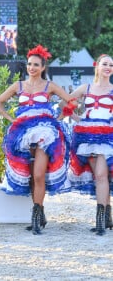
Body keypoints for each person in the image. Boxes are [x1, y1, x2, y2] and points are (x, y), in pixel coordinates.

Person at [0, 45, 75, 235]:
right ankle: (40, 213)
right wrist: (11, 119)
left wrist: (60, 118)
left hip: (45, 134)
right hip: (21, 134)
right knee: (29, 175)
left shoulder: (50, 86)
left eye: (36, 65)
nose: (32, 68)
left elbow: (71, 101)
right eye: (29, 64)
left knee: (39, 175)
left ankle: (36, 218)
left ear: (43, 67)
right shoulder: (18, 86)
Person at [66, 54, 113, 235]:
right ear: (97, 67)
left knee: (101, 176)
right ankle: (106, 216)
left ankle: (100, 221)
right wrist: (78, 119)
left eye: (111, 65)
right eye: (105, 64)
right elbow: (66, 101)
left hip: (107, 136)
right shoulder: (86, 87)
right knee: (100, 177)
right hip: (87, 136)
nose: (108, 67)